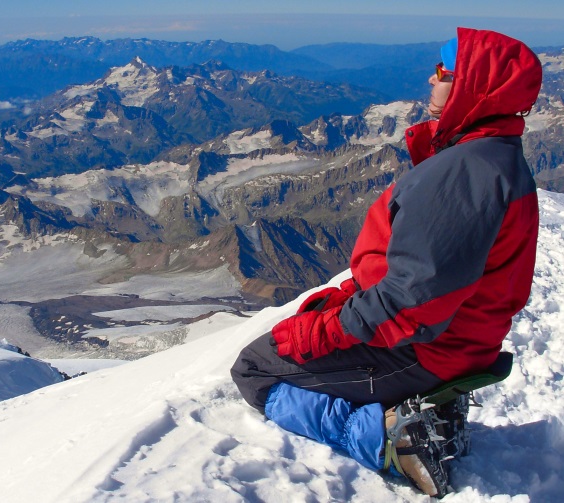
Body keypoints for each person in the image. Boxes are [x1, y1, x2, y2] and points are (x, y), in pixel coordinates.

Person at [231, 27, 542, 497]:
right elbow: (434, 273)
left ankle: (387, 442)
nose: (429, 79)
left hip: (426, 348)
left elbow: (411, 300)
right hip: (455, 340)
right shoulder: (493, 158)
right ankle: (418, 413)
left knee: (254, 368)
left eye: (442, 71)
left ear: (473, 84)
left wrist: (328, 330)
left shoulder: (465, 172)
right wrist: (353, 297)